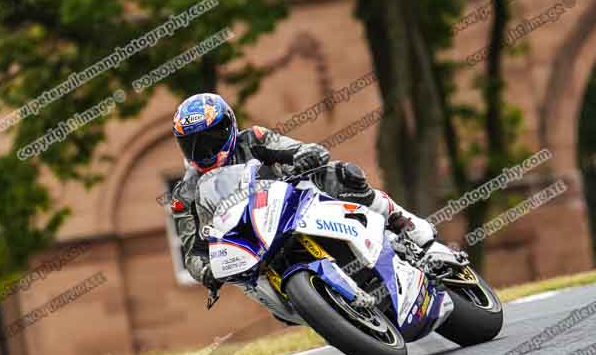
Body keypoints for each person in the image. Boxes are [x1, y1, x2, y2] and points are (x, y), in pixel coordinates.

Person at [169, 92, 436, 306]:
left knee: (342, 174)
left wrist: (306, 155)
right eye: (191, 144)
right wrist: (207, 272)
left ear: (228, 127)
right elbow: (192, 252)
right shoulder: (184, 194)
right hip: (251, 244)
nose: (202, 150)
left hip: (291, 203)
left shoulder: (252, 140)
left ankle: (403, 223)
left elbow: (294, 148)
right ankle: (316, 307)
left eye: (210, 138)